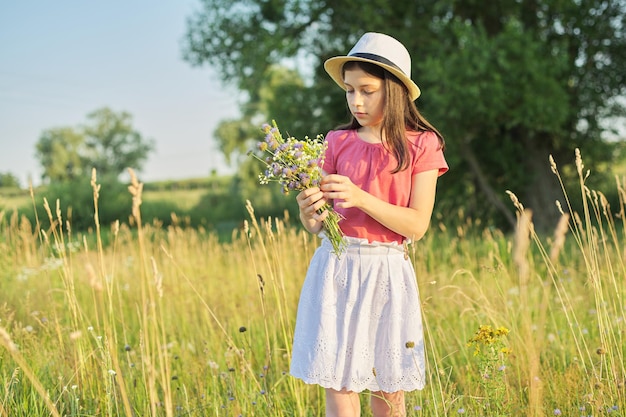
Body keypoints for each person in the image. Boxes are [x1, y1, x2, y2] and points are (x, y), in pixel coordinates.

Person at [290, 32, 449, 417]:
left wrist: (361, 197)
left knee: (387, 383)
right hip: (338, 268)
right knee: (339, 382)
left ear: (393, 91)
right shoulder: (336, 141)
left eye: (367, 90)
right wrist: (309, 212)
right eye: (349, 91)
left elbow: (416, 225)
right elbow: (318, 224)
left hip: (387, 271)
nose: (356, 101)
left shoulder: (422, 145)